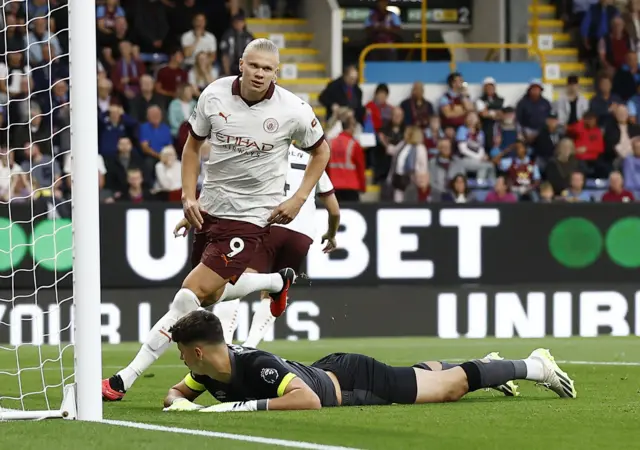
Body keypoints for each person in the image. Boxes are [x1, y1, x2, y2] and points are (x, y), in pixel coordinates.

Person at [103, 38, 331, 401]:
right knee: (208, 298)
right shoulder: (214, 95)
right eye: (254, 65)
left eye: (267, 69)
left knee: (186, 299)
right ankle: (274, 281)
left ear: (277, 71)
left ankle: (121, 380)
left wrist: (300, 196)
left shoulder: (294, 110)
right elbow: (192, 146)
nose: (259, 74)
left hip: (251, 218)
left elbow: (322, 151)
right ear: (241, 63)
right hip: (211, 211)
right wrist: (189, 196)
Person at [162, 310, 577, 413]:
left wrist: (234, 409)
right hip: (337, 376)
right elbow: (176, 395)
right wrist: (179, 400)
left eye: (182, 352)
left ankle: (534, 365)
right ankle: (485, 364)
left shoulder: (255, 366)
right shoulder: (209, 371)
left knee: (450, 389)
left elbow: (308, 401)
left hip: (356, 380)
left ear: (197, 351)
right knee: (424, 377)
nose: (180, 360)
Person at [174, 143, 341, 347]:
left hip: (268, 223)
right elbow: (334, 210)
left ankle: (224, 344)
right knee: (276, 290)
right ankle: (250, 347)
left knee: (233, 278)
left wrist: (193, 215)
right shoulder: (314, 160)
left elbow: (227, 187)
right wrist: (331, 235)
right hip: (302, 234)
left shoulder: (262, 148)